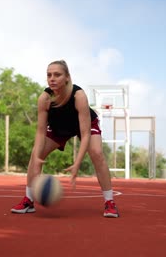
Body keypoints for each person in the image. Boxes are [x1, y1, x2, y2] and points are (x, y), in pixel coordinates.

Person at [10, 59, 119, 218]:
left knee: (97, 153)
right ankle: (28, 200)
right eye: (49, 75)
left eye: (57, 75)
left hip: (84, 125)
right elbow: (40, 132)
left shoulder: (79, 95)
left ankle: (109, 202)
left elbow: (86, 133)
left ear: (67, 77)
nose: (52, 78)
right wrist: (38, 157)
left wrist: (77, 163)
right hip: (58, 128)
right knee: (35, 155)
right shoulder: (45, 98)